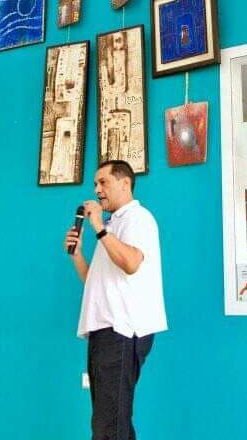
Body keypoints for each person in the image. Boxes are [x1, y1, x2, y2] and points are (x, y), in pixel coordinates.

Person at [63, 159, 168, 440]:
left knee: (109, 426)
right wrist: (77, 255)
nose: (96, 189)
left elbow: (131, 263)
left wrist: (99, 228)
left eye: (103, 182)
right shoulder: (112, 226)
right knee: (108, 420)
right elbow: (94, 282)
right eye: (95, 184)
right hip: (103, 330)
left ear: (124, 183)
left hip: (121, 330)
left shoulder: (138, 219)